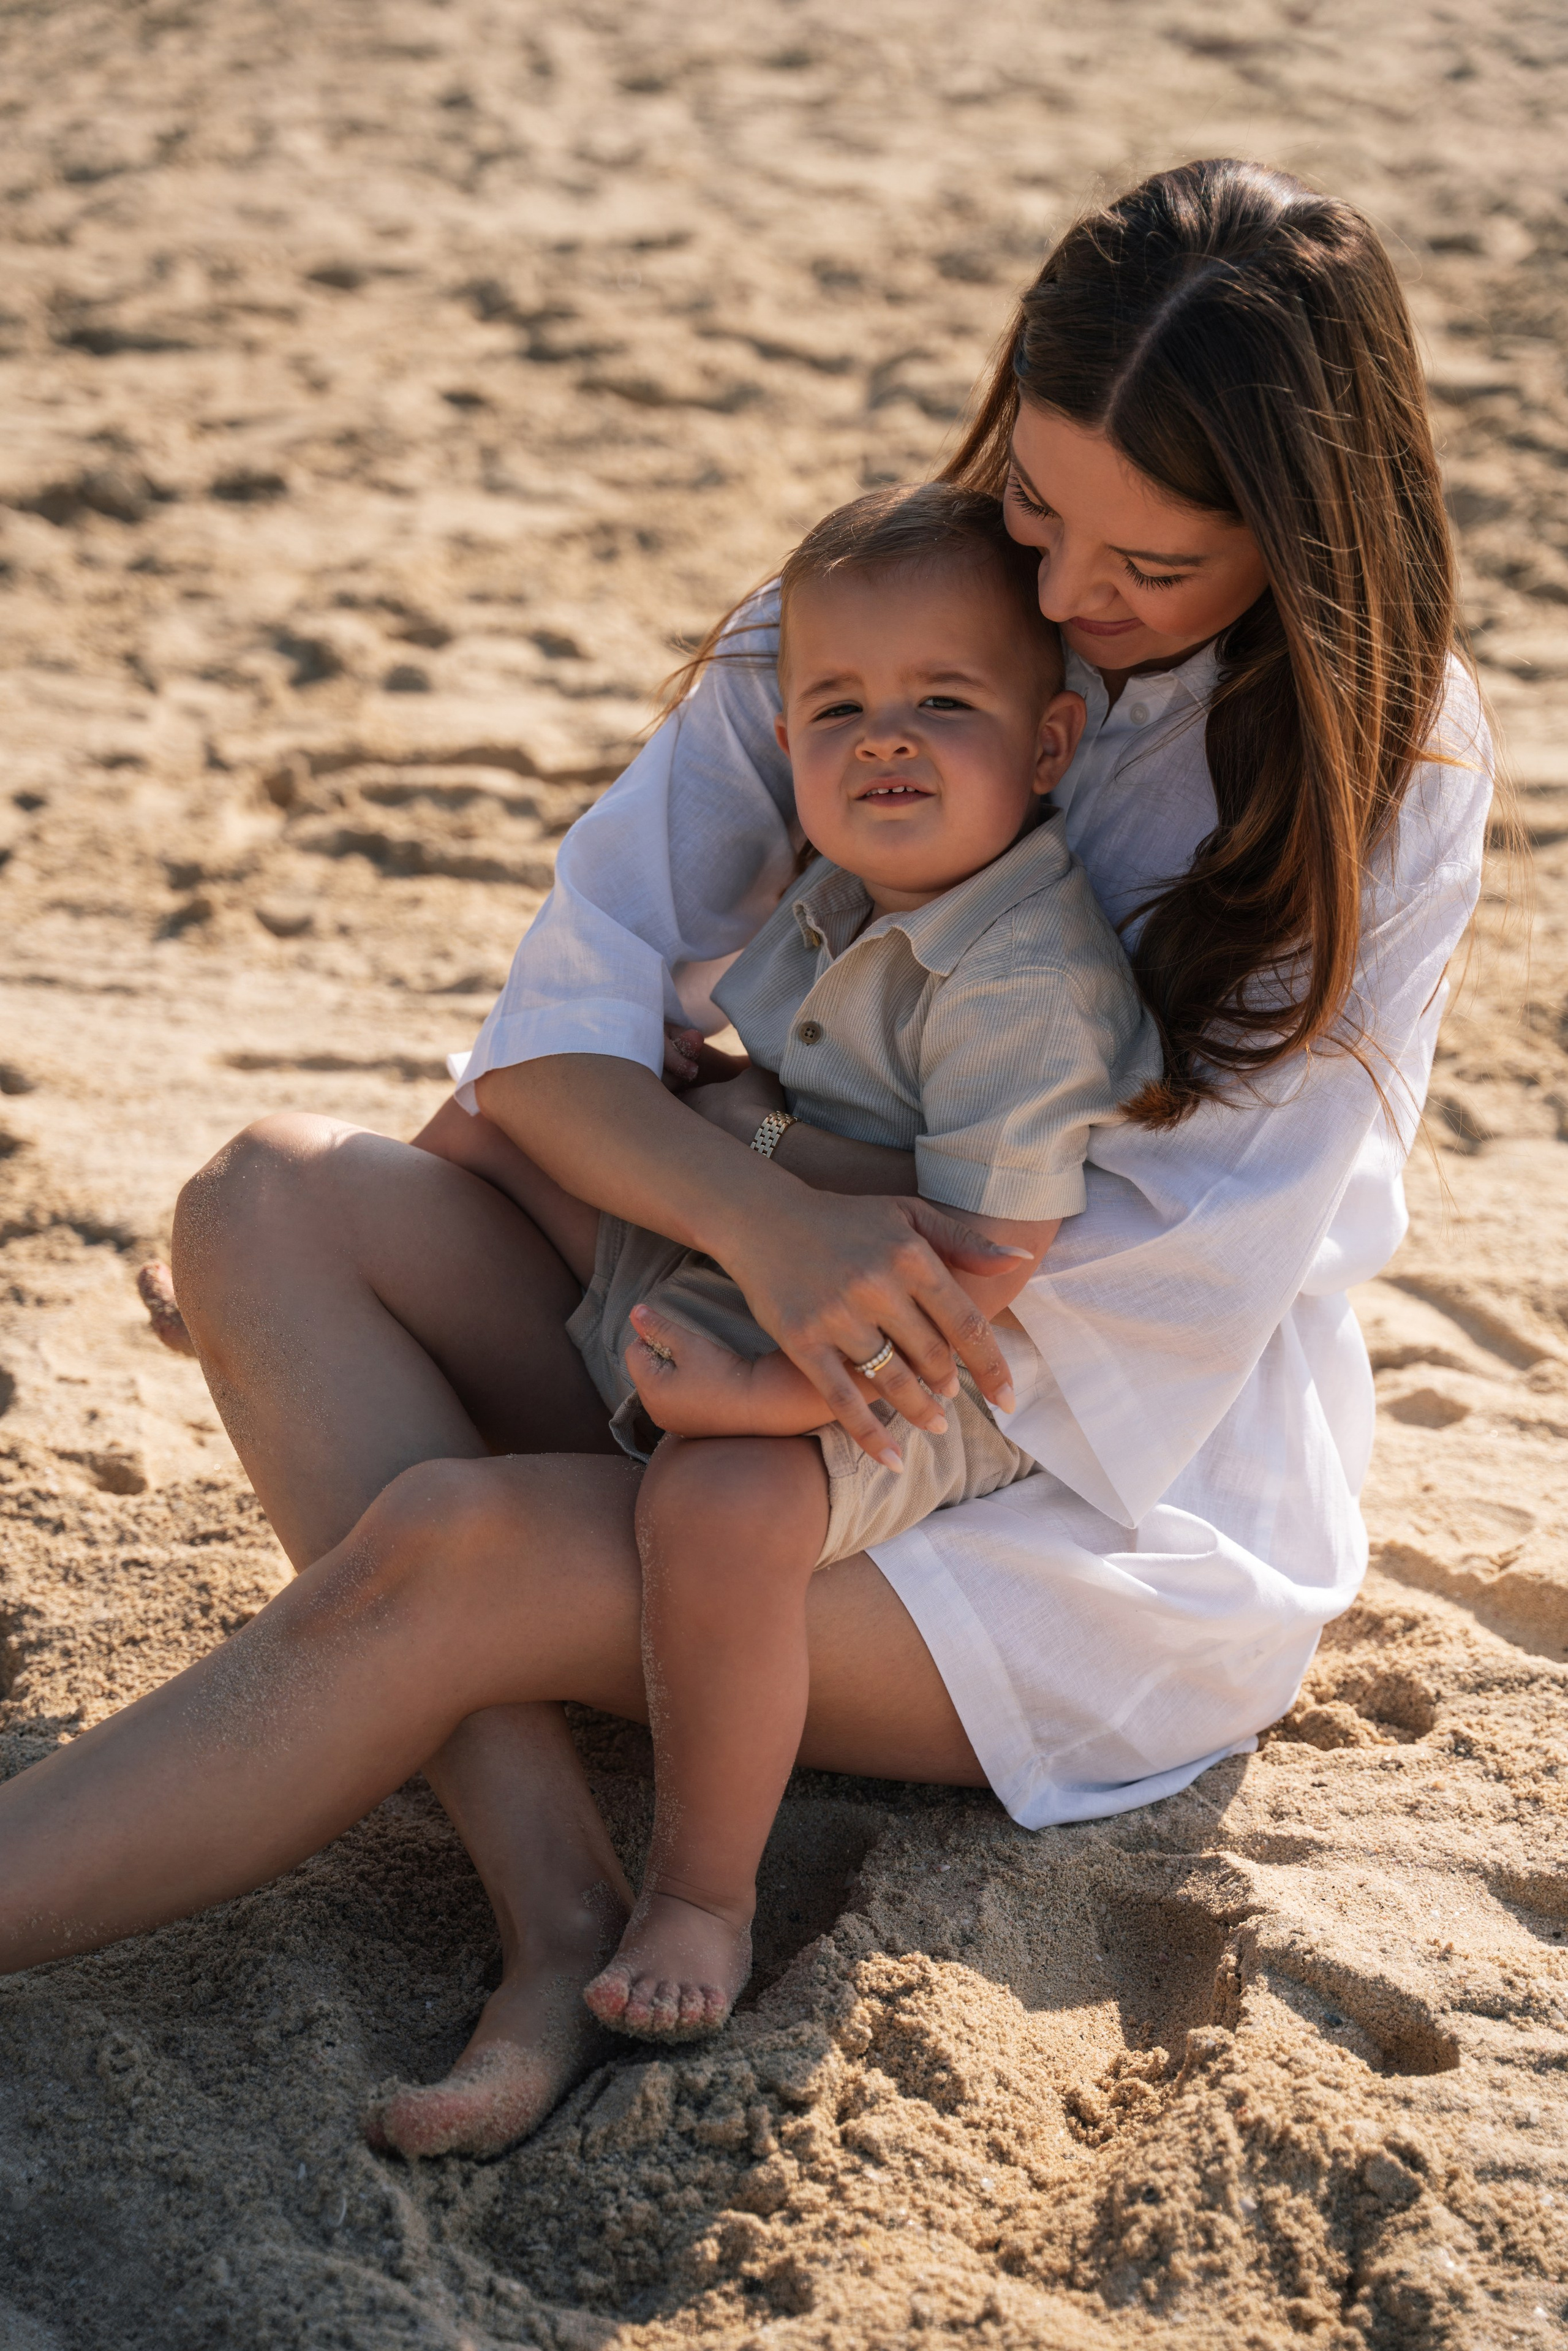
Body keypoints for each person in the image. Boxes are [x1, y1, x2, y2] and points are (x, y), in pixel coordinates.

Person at [0, 159, 1492, 2167]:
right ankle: (553, 1911)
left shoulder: (1380, 779)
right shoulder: (896, 608)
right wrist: (754, 1208)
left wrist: (739, 1228)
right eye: (1043, 511)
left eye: (1148, 566)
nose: (1062, 596)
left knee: (456, 1543)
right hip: (750, 1281)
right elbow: (561, 1022)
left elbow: (1133, 1285)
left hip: (1061, 1484)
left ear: (1306, 547)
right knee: (267, 1198)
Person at [497, 483, 1158, 2041]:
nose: (885, 739)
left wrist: (768, 1393)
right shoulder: (837, 888)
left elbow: (991, 1251)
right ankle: (316, 1292)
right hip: (784, 1250)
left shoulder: (1024, 977)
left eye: (944, 702)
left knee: (716, 1500)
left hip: (923, 1343)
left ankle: (700, 1892)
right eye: (837, 707)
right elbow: (765, 1074)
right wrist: (703, 1092)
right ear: (782, 746)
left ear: (1047, 745)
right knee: (492, 1130)